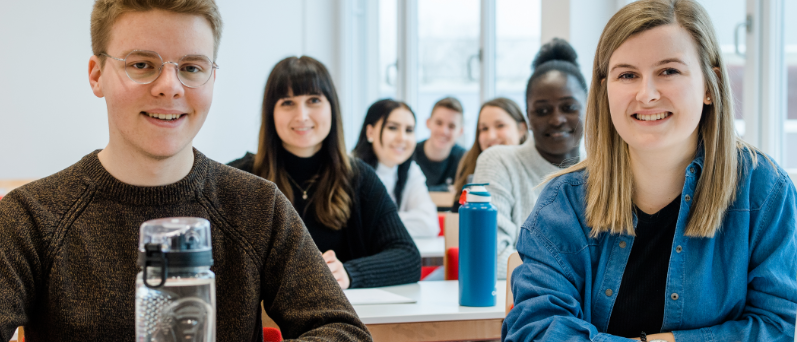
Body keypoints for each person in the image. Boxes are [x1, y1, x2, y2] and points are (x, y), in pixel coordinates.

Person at [0, 1, 371, 341]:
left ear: (212, 79)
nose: (170, 87)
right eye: (141, 64)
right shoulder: (30, 217)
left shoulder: (258, 207)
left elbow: (342, 331)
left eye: (192, 68)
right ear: (97, 75)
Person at [503, 0, 797, 341]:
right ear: (605, 89)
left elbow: (778, 327)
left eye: (668, 71)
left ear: (709, 85)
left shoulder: (764, 191)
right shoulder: (564, 203)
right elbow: (535, 328)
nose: (647, 94)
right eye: (627, 75)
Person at [228, 56, 421, 289]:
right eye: (287, 103)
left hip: (340, 311)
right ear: (271, 113)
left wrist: (348, 273)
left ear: (332, 108)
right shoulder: (239, 179)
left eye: (314, 100)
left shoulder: (359, 177)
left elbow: (408, 257)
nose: (302, 116)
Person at [472, 38, 587, 279]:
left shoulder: (607, 169)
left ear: (590, 108)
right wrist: (575, 280)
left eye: (568, 107)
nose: (556, 120)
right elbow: (490, 258)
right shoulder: (499, 162)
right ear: (527, 117)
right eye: (542, 111)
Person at [352, 99, 439, 238]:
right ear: (370, 132)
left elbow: (429, 224)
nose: (402, 138)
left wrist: (379, 221)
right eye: (392, 128)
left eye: (409, 130)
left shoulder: (411, 171)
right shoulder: (350, 171)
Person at [452, 97, 528, 210]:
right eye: (484, 128)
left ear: (522, 129)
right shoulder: (469, 167)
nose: (491, 136)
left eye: (500, 125)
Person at [413, 97, 467, 191]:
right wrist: (447, 189)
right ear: (428, 123)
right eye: (439, 123)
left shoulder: (465, 159)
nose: (444, 131)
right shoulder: (410, 153)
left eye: (451, 126)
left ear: (460, 131)